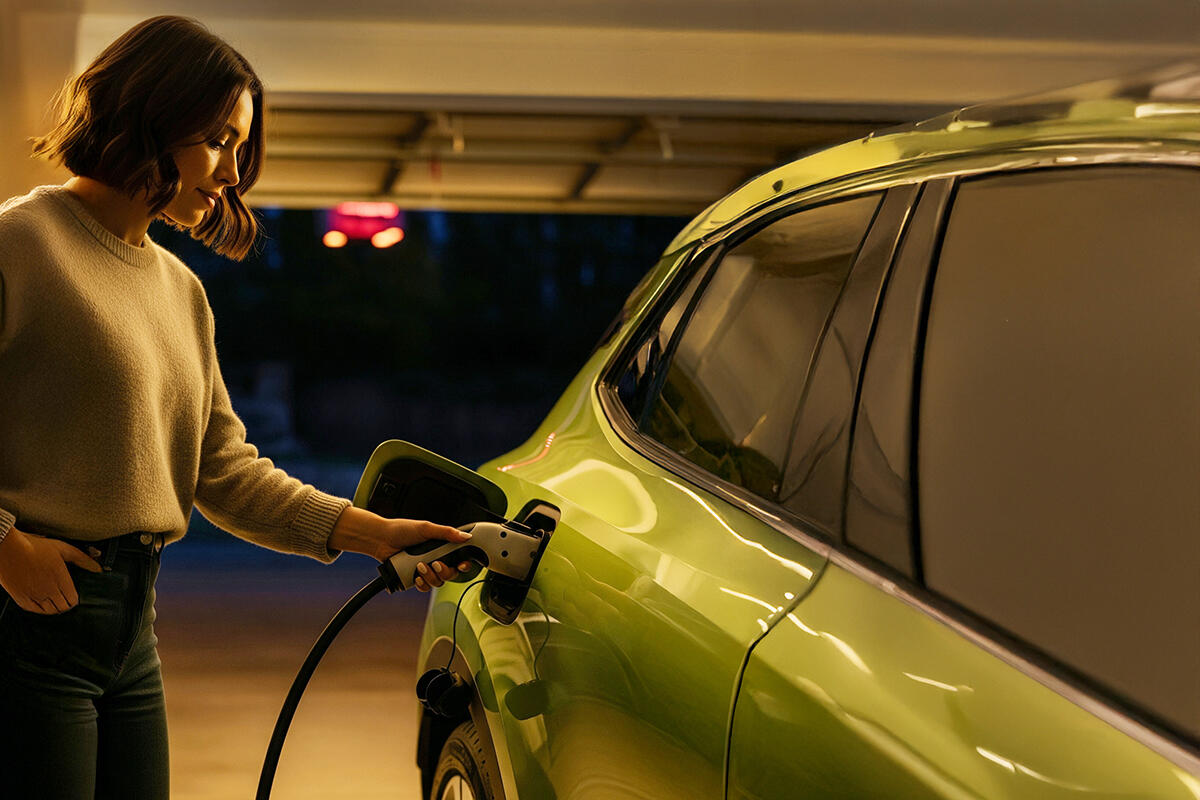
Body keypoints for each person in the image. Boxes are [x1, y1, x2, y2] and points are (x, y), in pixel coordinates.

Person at [0, 15, 471, 799]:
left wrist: (378, 535)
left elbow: (224, 474)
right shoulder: (20, 244)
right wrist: (5, 546)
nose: (232, 172)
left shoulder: (180, 291)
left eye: (239, 146)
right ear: (153, 115)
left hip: (132, 634)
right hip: (25, 625)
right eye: (218, 140)